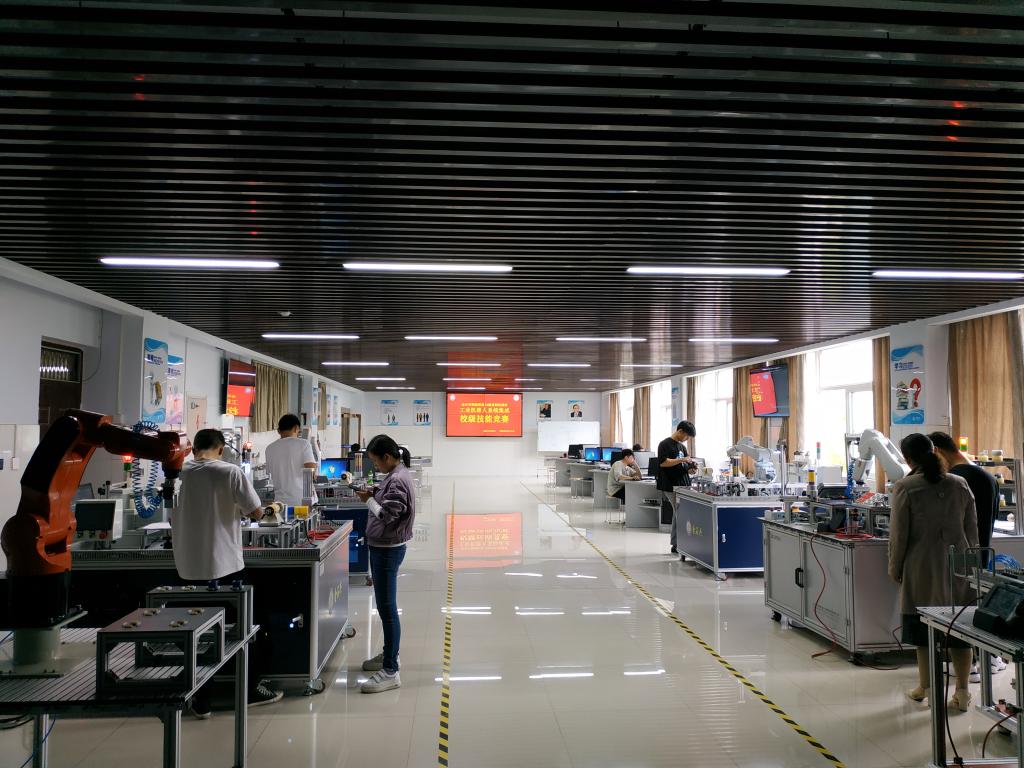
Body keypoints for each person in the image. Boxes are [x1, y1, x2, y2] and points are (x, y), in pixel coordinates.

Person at [171, 429, 283, 716]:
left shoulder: (179, 472)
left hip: (186, 569)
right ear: (221, 449)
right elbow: (256, 512)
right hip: (224, 567)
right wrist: (272, 508)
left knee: (197, 635)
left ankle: (200, 699)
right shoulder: (229, 472)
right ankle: (249, 689)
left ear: (194, 448)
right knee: (245, 630)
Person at [888, 433, 978, 711]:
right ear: (934, 451)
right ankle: (962, 691)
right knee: (959, 629)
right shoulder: (959, 483)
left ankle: (925, 687)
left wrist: (895, 566)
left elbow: (899, 534)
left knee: (922, 626)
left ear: (907, 459)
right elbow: (972, 528)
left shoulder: (905, 486)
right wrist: (972, 564)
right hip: (959, 566)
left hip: (921, 565)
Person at [928, 431, 1005, 681]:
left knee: (959, 610)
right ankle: (989, 657)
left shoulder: (955, 480)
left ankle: (968, 664)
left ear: (937, 451)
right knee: (977, 605)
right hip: (981, 552)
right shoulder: (987, 477)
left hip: (958, 554)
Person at [354, 434, 416, 693]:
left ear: (387, 457)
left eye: (376, 462)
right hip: (384, 547)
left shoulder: (398, 479)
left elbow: (388, 515)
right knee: (385, 607)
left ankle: (391, 670)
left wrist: (368, 500)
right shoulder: (396, 475)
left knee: (387, 609)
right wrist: (375, 493)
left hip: (388, 550)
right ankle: (390, 653)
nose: (376, 466)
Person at [657, 421, 697, 555]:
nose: (687, 439)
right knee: (680, 512)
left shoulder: (682, 447)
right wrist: (682, 460)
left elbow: (684, 467)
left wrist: (691, 469)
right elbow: (663, 463)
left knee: (679, 512)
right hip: (671, 485)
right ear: (680, 431)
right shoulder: (664, 444)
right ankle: (678, 544)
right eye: (687, 436)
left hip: (683, 484)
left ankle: (678, 543)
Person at [265, 414, 317, 506]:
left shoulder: (269, 448)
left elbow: (269, 473)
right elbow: (310, 470)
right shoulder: (304, 444)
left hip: (280, 503)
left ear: (278, 431)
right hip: (302, 501)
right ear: (296, 428)